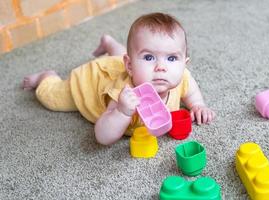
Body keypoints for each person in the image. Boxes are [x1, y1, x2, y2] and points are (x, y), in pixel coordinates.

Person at [22, 12, 216, 145]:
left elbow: (190, 88)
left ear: (184, 63)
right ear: (129, 66)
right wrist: (122, 112)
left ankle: (110, 44)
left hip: (121, 63)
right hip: (89, 82)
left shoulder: (181, 77)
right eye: (149, 57)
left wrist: (198, 104)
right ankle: (46, 76)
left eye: (172, 58)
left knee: (123, 57)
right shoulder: (122, 94)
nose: (161, 67)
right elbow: (102, 137)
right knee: (52, 99)